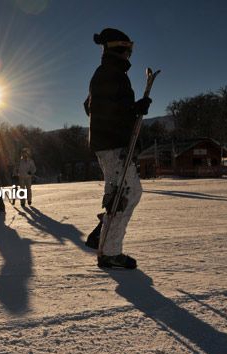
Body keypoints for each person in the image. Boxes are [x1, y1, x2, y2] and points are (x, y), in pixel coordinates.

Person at [83, 28, 152, 269]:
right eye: (128, 49)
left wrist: (132, 109)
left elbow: (89, 106)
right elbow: (103, 109)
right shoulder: (110, 74)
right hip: (112, 144)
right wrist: (135, 108)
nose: (130, 55)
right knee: (127, 194)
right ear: (118, 49)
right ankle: (110, 251)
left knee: (122, 194)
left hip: (111, 143)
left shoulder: (107, 73)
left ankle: (104, 237)